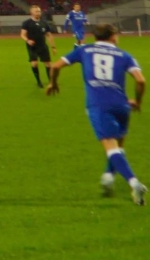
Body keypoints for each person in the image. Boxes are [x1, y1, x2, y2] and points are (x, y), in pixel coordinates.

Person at [47, 23, 148, 204]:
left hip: (99, 105)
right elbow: (140, 81)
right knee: (118, 146)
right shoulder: (124, 55)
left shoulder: (84, 50)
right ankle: (108, 177)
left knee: (111, 147)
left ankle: (134, 184)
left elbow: (55, 67)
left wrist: (53, 84)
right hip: (122, 105)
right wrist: (138, 101)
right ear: (113, 36)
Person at [20, 5, 54, 89]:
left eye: (39, 11)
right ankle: (38, 81)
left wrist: (53, 47)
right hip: (32, 47)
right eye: (36, 11)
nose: (38, 13)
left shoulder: (44, 23)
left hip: (43, 46)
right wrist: (28, 40)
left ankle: (51, 81)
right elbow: (22, 35)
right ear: (31, 12)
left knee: (48, 64)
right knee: (34, 64)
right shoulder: (27, 23)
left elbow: (49, 35)